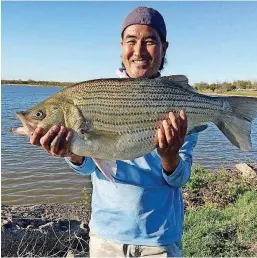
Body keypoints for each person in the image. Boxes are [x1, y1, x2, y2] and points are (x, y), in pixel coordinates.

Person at [30, 6, 198, 257]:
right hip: (105, 238)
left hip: (160, 239)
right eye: (131, 41)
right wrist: (73, 154)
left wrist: (169, 157)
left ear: (164, 47)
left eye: (150, 41)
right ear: (121, 46)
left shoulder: (180, 102)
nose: (139, 51)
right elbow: (89, 167)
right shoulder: (91, 95)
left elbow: (179, 179)